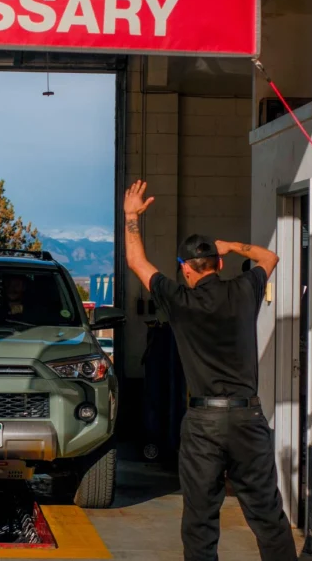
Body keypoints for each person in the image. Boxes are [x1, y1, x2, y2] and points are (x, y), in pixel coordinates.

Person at [123, 180, 297, 561]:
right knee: (267, 513)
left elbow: (137, 262)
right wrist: (232, 246)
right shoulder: (244, 290)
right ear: (218, 265)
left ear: (185, 269)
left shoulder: (179, 300)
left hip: (204, 421)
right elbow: (269, 258)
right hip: (247, 417)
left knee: (201, 518)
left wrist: (131, 216)